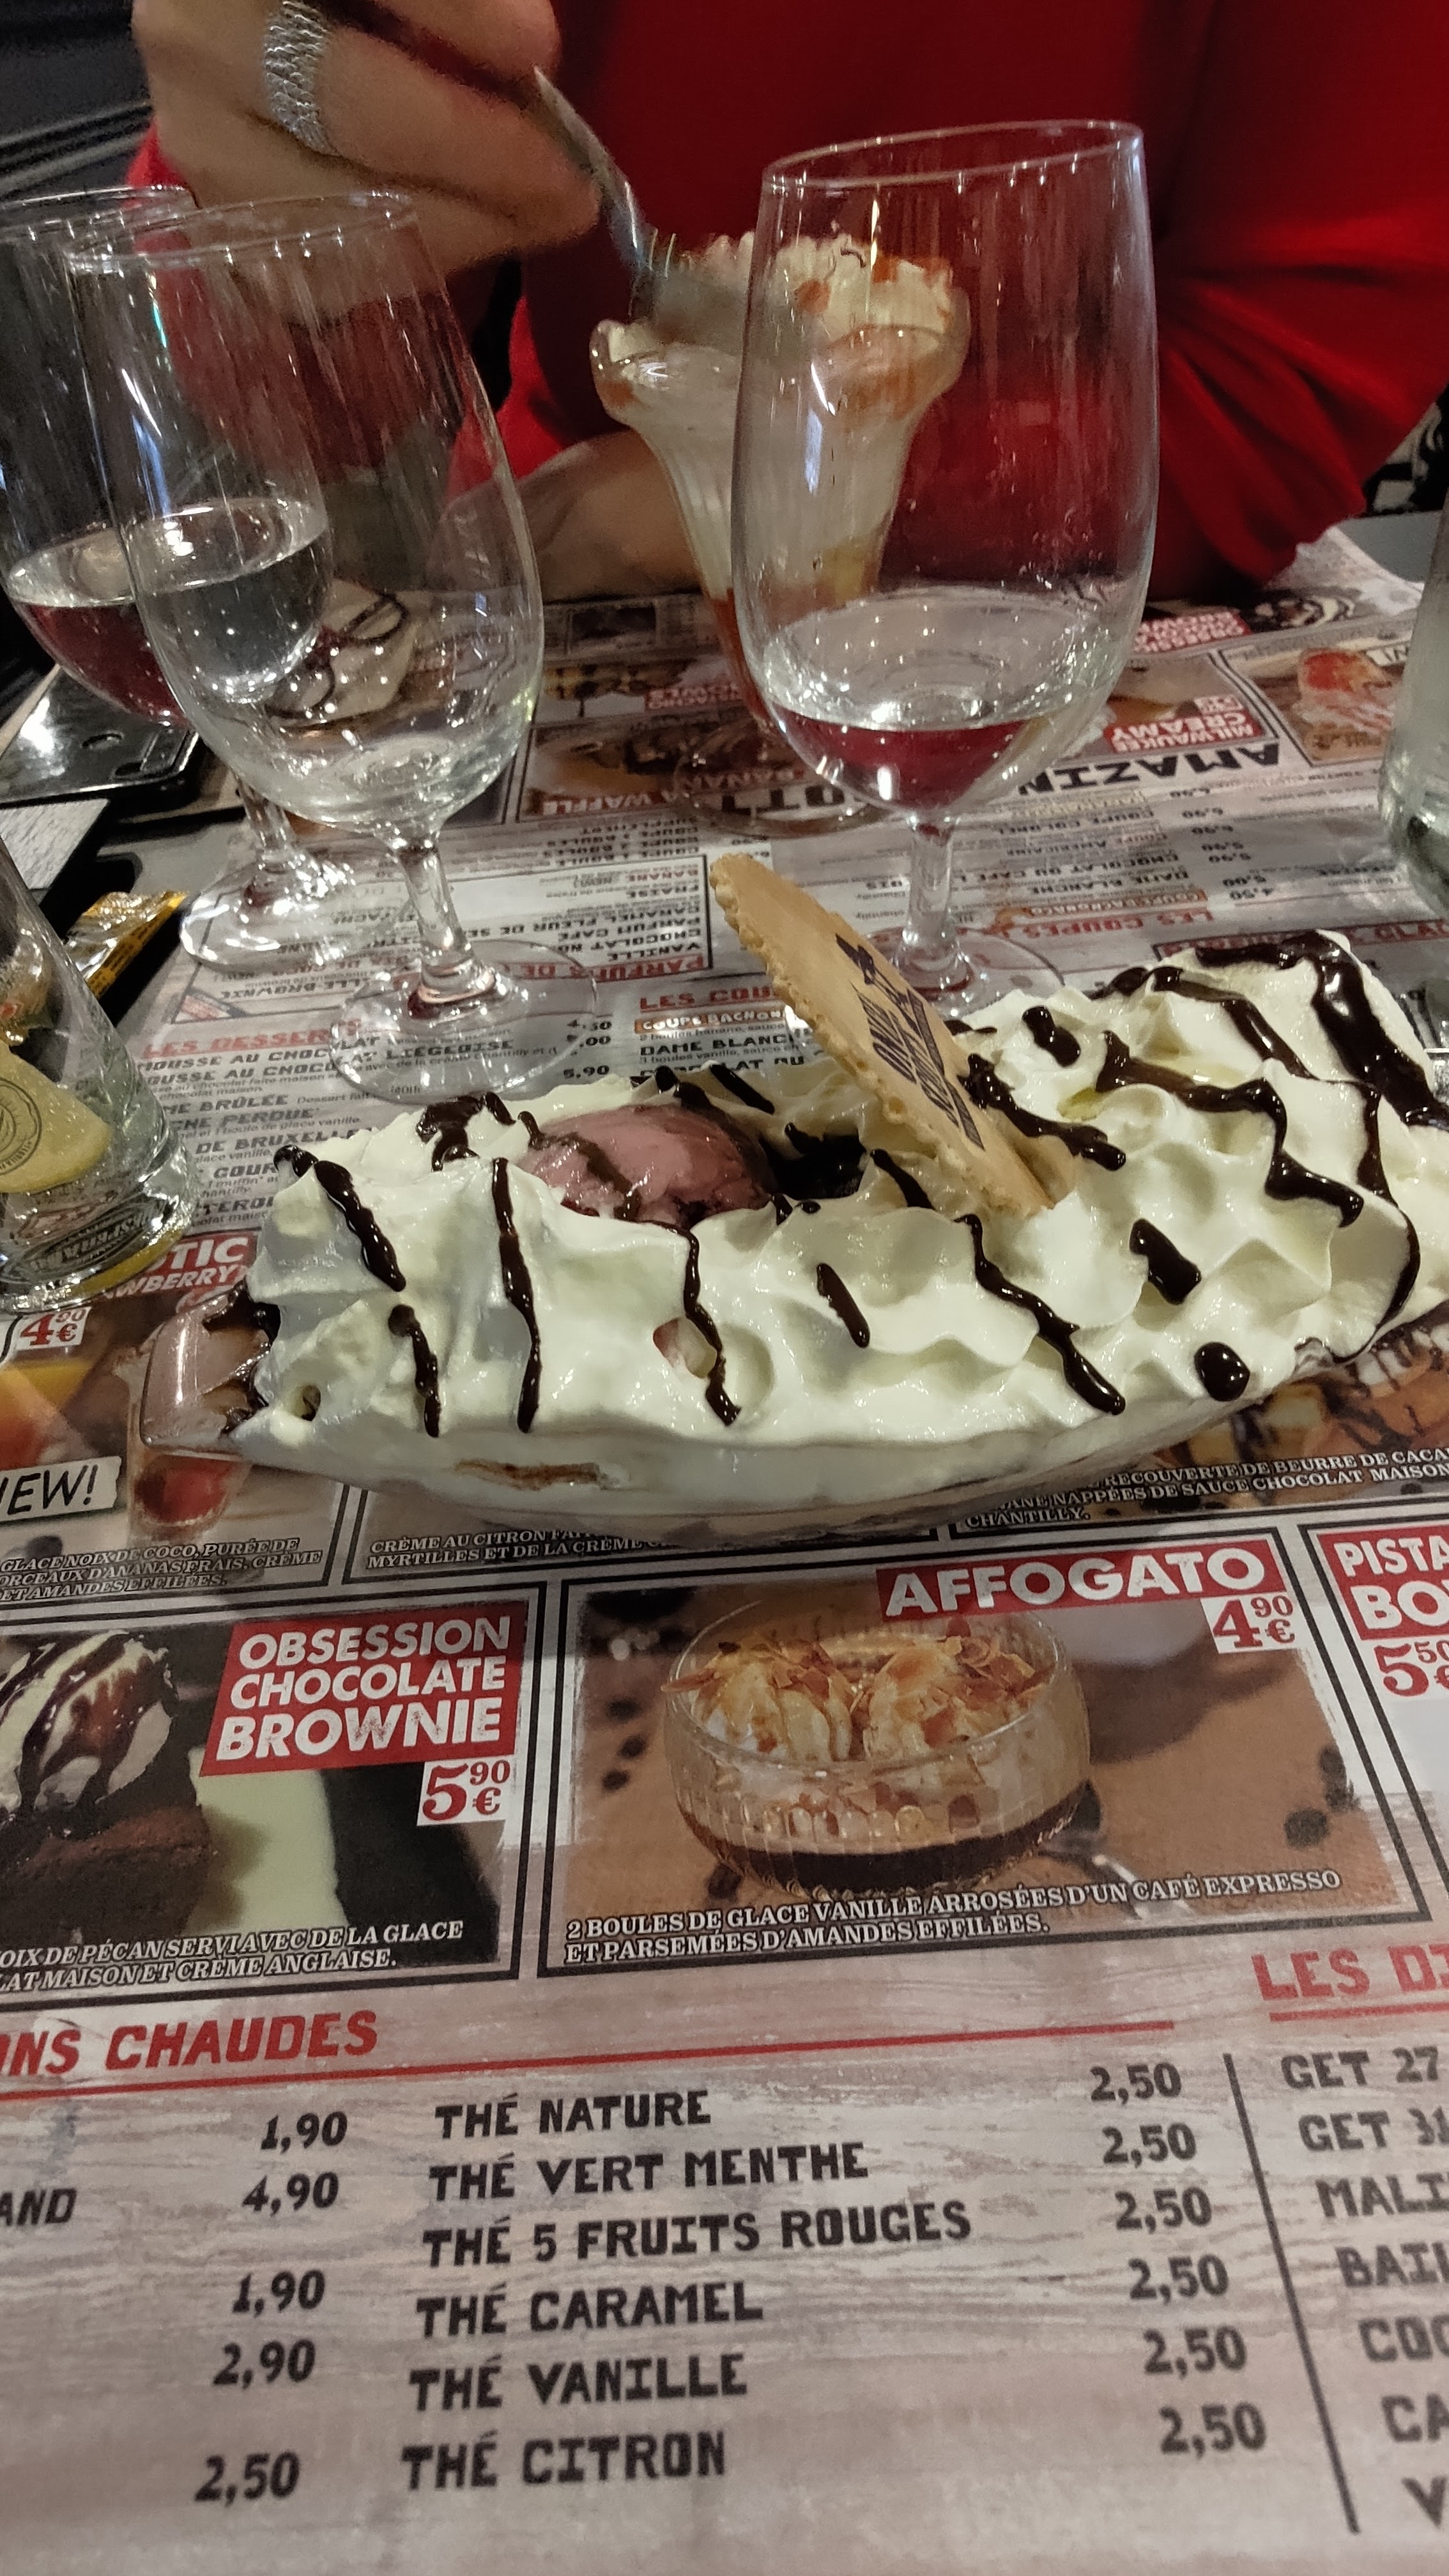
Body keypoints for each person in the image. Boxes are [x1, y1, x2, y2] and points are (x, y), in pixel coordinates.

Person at [128, 0, 1449, 602]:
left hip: (1082, 610)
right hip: (563, 607)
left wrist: (749, 498)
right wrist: (257, 199)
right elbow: (312, 407)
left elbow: (1272, 396)